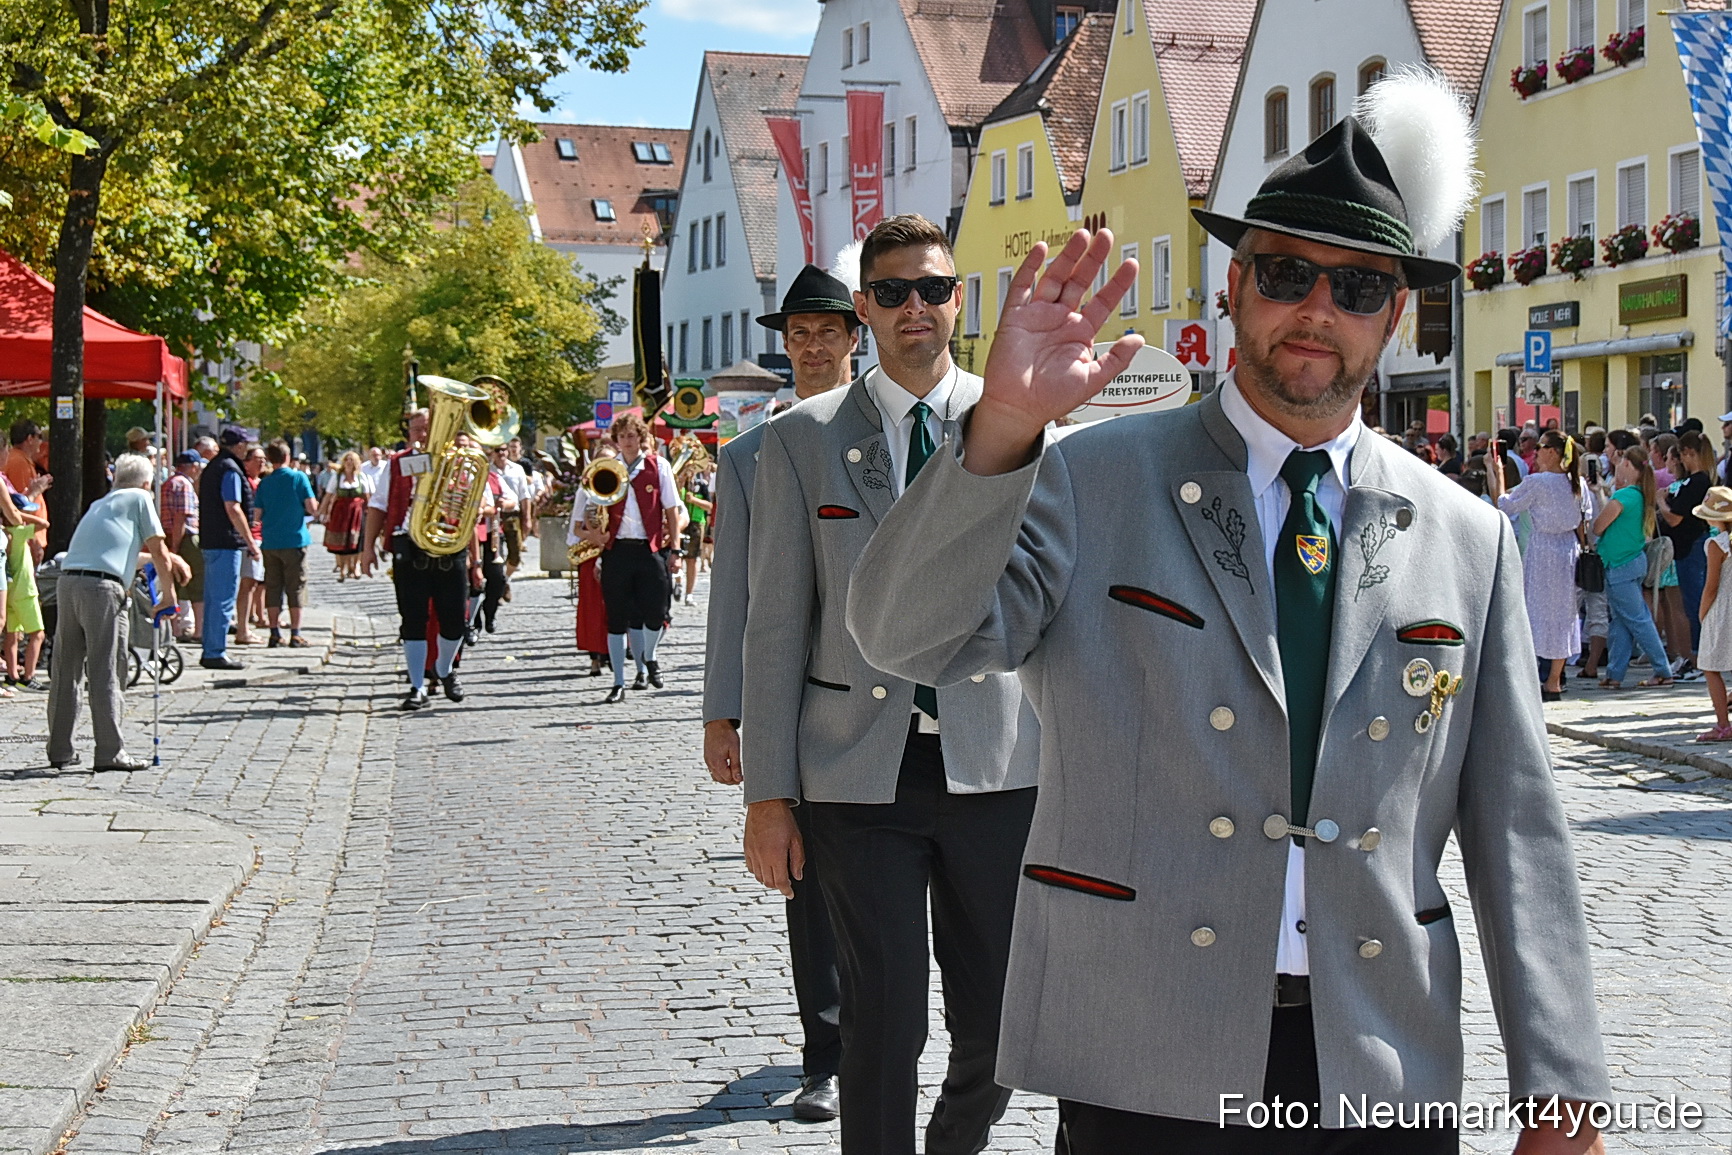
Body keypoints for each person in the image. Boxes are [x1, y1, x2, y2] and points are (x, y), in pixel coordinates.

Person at [847, 99, 1610, 1152]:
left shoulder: (1465, 535)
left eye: (1357, 287)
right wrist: (1003, 428)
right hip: (1144, 1048)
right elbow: (904, 638)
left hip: (1378, 1055)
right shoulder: (1090, 478)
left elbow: (1517, 823)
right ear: (1235, 284)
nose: (1318, 309)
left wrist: (1562, 1086)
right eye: (1287, 273)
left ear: (1394, 315)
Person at [742, 217, 1042, 1155]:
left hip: (996, 765)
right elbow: (775, 624)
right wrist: (767, 795)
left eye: (935, 288)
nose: (918, 305)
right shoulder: (801, 440)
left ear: (959, 301)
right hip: (855, 772)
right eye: (895, 290)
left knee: (1000, 1024)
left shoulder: (1020, 424)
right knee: (882, 1023)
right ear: (864, 308)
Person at [702, 264, 859, 1122]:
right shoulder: (747, 457)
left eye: (826, 331)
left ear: (853, 337)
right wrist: (721, 713)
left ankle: (894, 1042)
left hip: (888, 696)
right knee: (811, 888)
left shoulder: (892, 431)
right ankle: (826, 1057)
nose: (811, 347)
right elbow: (734, 597)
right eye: (798, 334)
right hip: (793, 702)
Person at [46, 453, 186, 771]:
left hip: (69, 583)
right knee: (106, 668)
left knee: (66, 670)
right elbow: (159, 550)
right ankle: (110, 751)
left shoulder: (101, 504)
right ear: (147, 483)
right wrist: (169, 595)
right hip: (102, 591)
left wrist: (165, 563)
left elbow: (117, 553)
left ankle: (60, 749)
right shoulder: (140, 498)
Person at [361, 409, 482, 709]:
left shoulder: (460, 461)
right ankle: (417, 686)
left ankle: (444, 668)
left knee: (454, 619)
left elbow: (472, 509)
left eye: (428, 427)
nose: (423, 434)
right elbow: (378, 505)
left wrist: (475, 558)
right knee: (412, 619)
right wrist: (367, 548)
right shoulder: (397, 463)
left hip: (449, 545)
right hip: (410, 545)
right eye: (416, 429)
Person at [568, 411, 680, 702]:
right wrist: (597, 537)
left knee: (656, 613)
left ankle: (649, 657)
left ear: (641, 438)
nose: (628, 441)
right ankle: (618, 682)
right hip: (617, 551)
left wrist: (675, 549)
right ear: (616, 440)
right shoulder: (605, 469)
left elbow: (671, 510)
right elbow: (584, 514)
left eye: (632, 436)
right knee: (616, 619)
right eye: (622, 436)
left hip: (649, 549)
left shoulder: (659, 466)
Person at [1485, 429, 1585, 699]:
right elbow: (1584, 518)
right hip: (1568, 548)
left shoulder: (1538, 482)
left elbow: (1504, 505)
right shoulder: (1577, 482)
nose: (1536, 452)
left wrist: (1498, 472)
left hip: (1543, 549)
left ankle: (1533, 677)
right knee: (1564, 614)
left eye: (1540, 447)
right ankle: (1554, 680)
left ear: (1552, 452)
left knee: (1534, 611)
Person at [1594, 449, 1673, 690]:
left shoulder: (1625, 495)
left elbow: (1598, 526)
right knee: (1622, 621)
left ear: (1627, 464)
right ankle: (1614, 674)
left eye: (1620, 462)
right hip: (1631, 562)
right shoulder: (1640, 494)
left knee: (1638, 620)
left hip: (1620, 564)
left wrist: (1601, 495)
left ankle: (1663, 670)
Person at [197, 428, 259, 671]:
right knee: (222, 598)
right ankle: (215, 651)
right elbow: (233, 507)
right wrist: (250, 542)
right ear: (239, 446)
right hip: (225, 541)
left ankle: (211, 647)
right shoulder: (230, 470)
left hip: (211, 539)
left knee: (214, 598)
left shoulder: (214, 466)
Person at [1659, 429, 1713, 677]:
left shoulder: (1699, 481)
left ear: (1689, 453)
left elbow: (1675, 518)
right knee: (1687, 602)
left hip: (1691, 547)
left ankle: (1699, 658)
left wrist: (1661, 501)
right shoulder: (1693, 481)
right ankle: (1693, 656)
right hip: (1685, 548)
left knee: (1694, 604)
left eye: (1681, 455)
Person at [255, 440, 318, 647]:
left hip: (270, 541)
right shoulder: (298, 478)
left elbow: (257, 514)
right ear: (287, 457)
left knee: (273, 587)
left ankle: (274, 632)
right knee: (296, 587)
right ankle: (295, 634)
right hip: (295, 539)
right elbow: (312, 507)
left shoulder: (264, 483)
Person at [1692, 487, 1732, 740]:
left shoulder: (1717, 545)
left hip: (1722, 609)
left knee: (1710, 666)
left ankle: (1723, 724)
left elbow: (1711, 586)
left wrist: (1703, 611)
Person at [3, 484, 46, 691]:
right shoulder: (19, 532)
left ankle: (12, 676)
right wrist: (19, 516)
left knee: (12, 634)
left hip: (10, 591)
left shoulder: (5, 533)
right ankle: (28, 677)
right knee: (38, 634)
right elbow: (44, 523)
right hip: (25, 590)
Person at [160, 451, 204, 642]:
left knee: (173, 584)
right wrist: (176, 546)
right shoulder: (184, 484)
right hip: (185, 538)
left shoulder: (168, 483)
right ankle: (199, 630)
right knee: (197, 584)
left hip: (168, 536)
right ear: (193, 467)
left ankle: (175, 629)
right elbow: (181, 517)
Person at [320, 451, 373, 581]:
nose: (349, 462)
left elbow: (367, 497)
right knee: (341, 541)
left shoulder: (362, 477)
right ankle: (343, 568)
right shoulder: (337, 477)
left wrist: (371, 512)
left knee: (357, 540)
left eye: (352, 460)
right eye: (347, 460)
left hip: (357, 512)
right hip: (340, 512)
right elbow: (328, 495)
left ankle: (355, 566)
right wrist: (321, 511)